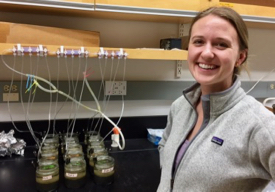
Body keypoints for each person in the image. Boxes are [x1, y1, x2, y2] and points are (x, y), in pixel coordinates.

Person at [157, 6, 275, 192]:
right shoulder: (180, 106)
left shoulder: (260, 125)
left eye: (221, 44)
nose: (206, 53)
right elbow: (164, 145)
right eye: (198, 42)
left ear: (240, 57)